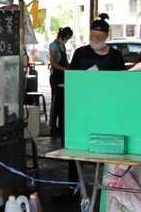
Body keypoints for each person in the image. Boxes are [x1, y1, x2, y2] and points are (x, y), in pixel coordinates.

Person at [54, 18, 125, 202]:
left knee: (107, 148)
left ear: (106, 37)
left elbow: (122, 82)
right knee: (76, 147)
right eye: (93, 36)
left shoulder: (115, 56)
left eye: (99, 37)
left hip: (106, 108)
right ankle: (72, 186)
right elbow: (72, 78)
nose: (95, 40)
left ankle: (110, 188)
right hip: (83, 108)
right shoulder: (81, 53)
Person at [48, 27, 73, 140]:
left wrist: (71, 68)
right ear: (62, 36)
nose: (67, 40)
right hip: (56, 77)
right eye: (67, 38)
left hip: (63, 77)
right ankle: (53, 126)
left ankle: (60, 125)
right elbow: (53, 62)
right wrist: (65, 69)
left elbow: (65, 62)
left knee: (62, 102)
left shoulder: (62, 46)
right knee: (55, 102)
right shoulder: (54, 46)